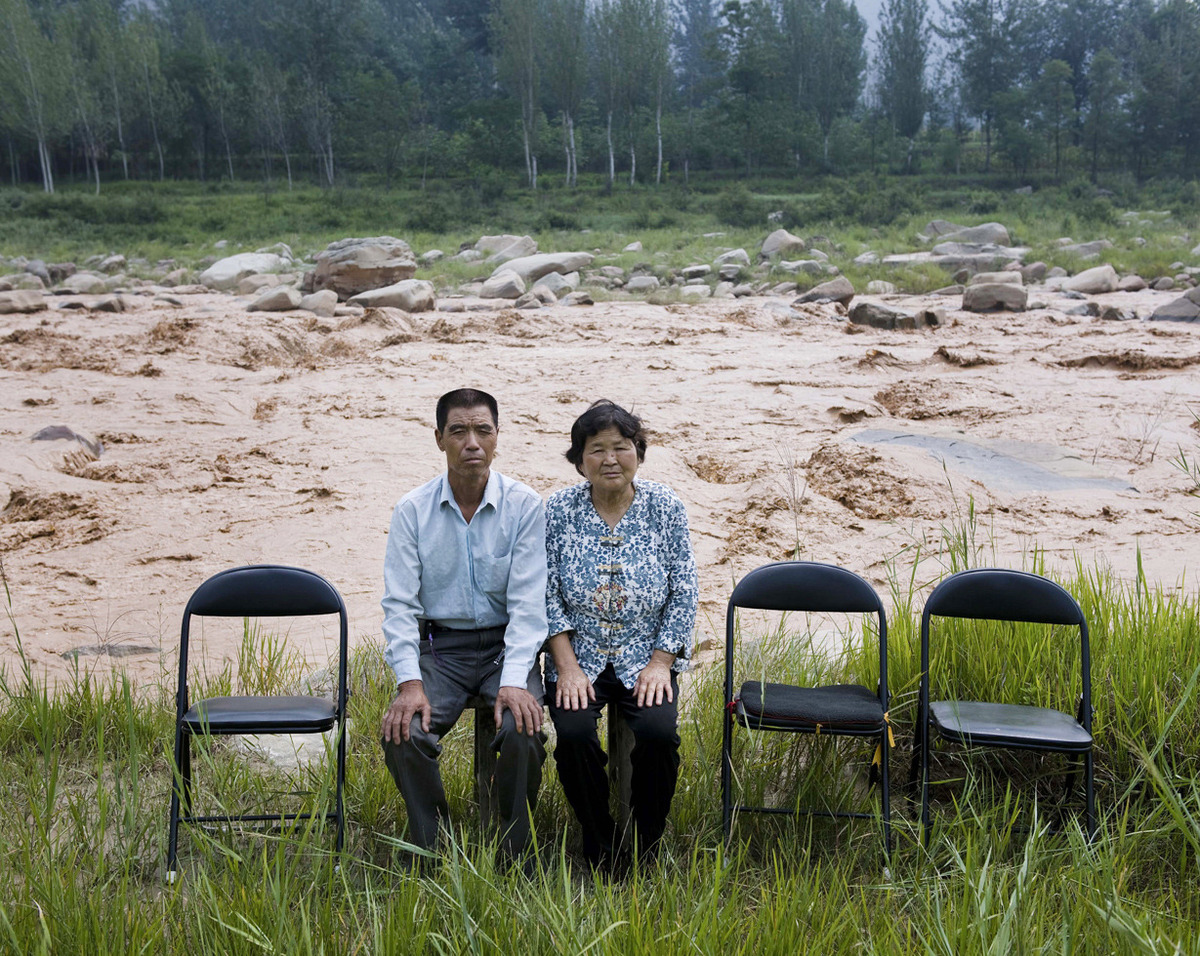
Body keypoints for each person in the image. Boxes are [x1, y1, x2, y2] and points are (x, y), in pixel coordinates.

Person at [379, 387, 547, 864]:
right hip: (440, 649)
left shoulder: (524, 505)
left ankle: (516, 851)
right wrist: (409, 682)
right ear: (439, 439)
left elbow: (530, 607)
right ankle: (433, 844)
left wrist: (515, 681)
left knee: (523, 727)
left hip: (505, 645)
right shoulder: (412, 510)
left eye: (482, 430)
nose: (471, 442)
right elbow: (399, 605)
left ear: (497, 438)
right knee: (404, 731)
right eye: (458, 431)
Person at [544, 400, 698, 870]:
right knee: (572, 736)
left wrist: (661, 663)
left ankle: (646, 840)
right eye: (596, 449)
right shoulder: (558, 509)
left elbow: (685, 589)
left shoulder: (665, 506)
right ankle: (600, 839)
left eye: (621, 447)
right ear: (579, 460)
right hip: (579, 654)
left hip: (644, 657)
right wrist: (566, 668)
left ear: (639, 453)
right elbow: (543, 591)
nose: (610, 458)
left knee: (658, 734)